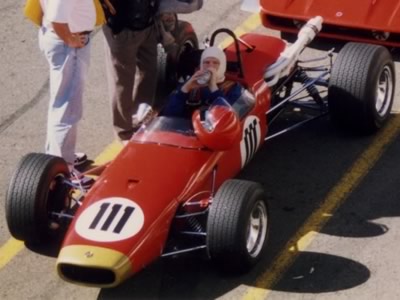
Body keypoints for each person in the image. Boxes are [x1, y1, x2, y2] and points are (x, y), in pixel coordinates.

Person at [38, 0, 97, 168]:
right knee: (67, 109)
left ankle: (60, 158)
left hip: (59, 38)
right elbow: (57, 19)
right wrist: (71, 40)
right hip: (68, 44)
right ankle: (63, 168)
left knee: (61, 104)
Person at [102, 0, 160, 144]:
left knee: (149, 72)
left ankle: (141, 116)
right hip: (122, 29)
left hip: (148, 23)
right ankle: (124, 133)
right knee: (122, 81)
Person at [161, 46, 243, 118]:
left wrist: (213, 88)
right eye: (206, 62)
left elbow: (228, 118)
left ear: (222, 65)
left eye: (215, 63)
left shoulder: (233, 88)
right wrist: (184, 89)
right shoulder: (192, 84)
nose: (210, 66)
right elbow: (168, 115)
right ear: (201, 65)